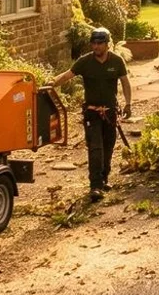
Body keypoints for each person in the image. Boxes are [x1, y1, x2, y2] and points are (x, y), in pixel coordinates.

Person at [52, 27, 132, 198]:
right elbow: (67, 76)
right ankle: (94, 186)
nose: (95, 47)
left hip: (110, 112)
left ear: (107, 44)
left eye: (99, 43)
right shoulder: (85, 62)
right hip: (92, 112)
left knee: (108, 146)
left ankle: (104, 179)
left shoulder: (117, 61)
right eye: (93, 43)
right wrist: (50, 84)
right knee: (95, 147)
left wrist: (128, 104)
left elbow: (125, 83)